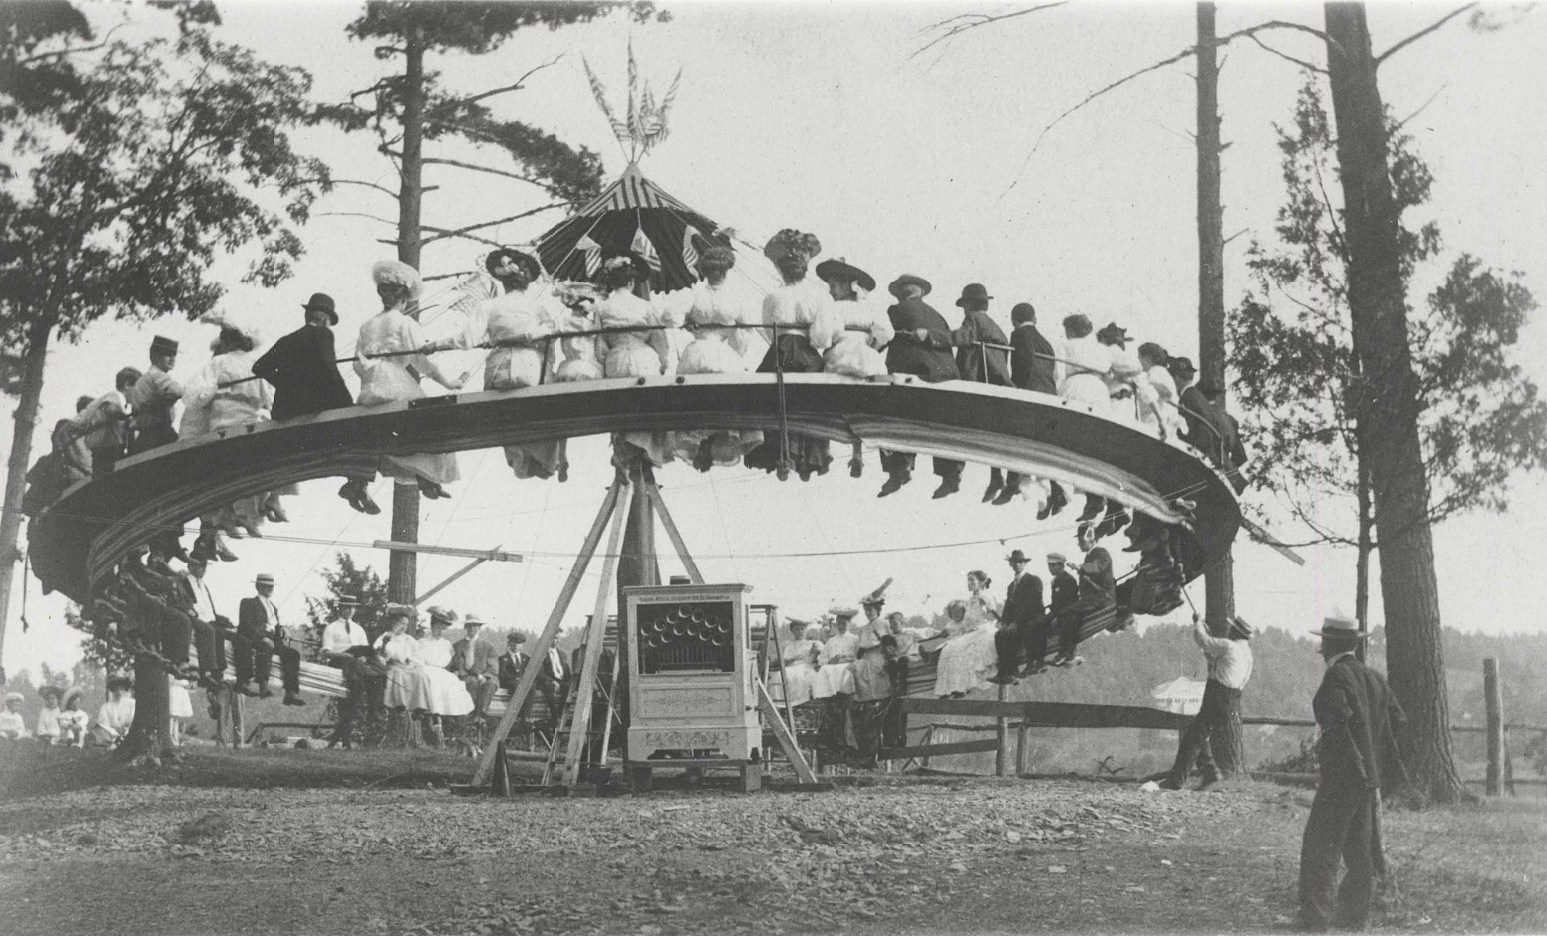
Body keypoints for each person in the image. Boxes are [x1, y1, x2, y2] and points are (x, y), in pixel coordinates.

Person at [1298, 616, 1407, 933]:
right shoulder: (1375, 678)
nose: (1320, 649)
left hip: (1341, 778)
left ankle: (1314, 919)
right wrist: (1373, 759)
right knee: (1361, 853)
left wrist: (1341, 756)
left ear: (1328, 644)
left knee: (1320, 846)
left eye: (1323, 642)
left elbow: (1338, 725)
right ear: (1355, 643)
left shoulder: (1335, 677)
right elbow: (1398, 722)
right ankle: (1352, 918)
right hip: (1367, 780)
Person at [252, 291, 380, 515]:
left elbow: (259, 368)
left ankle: (355, 485)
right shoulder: (323, 335)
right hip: (316, 405)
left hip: (286, 409)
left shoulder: (286, 340)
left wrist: (285, 383)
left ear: (308, 315)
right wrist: (346, 402)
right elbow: (328, 367)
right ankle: (357, 483)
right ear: (324, 319)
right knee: (362, 428)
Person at [355, 260, 467, 499]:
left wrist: (371, 374)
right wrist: (449, 383)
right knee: (434, 422)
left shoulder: (366, 325)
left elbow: (357, 363)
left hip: (370, 388)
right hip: (394, 383)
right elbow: (420, 360)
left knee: (395, 431)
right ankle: (427, 477)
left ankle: (422, 478)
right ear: (405, 297)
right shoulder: (404, 322)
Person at [660, 246, 763, 470]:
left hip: (698, 351)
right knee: (727, 398)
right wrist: (735, 349)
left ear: (704, 272)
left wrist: (687, 323)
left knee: (697, 400)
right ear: (726, 271)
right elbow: (745, 331)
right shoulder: (735, 297)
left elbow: (670, 316)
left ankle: (705, 438)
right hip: (724, 354)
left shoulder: (693, 294)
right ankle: (716, 436)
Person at [744, 230, 833, 481]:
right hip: (806, 351)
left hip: (779, 350)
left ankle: (782, 454)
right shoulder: (819, 295)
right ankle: (808, 456)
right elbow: (822, 337)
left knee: (773, 400)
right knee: (809, 402)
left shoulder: (773, 296)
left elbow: (768, 328)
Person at [476, 247, 568, 480]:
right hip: (523, 366)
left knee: (513, 411)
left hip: (510, 366)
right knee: (539, 407)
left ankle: (528, 458)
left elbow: (467, 338)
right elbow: (549, 339)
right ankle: (536, 458)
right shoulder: (530, 307)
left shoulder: (493, 306)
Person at [878, 274, 965, 498]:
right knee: (943, 424)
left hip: (911, 372)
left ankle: (900, 468)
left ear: (899, 294)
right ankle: (951, 474)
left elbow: (882, 335)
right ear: (922, 292)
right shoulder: (938, 315)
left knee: (893, 414)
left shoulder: (894, 312)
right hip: (945, 374)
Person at [810, 256, 892, 477]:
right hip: (868, 358)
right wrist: (872, 344)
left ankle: (826, 447)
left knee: (827, 402)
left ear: (848, 286)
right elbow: (885, 334)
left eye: (834, 286)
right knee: (859, 406)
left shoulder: (833, 308)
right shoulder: (872, 309)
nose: (831, 290)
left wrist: (829, 342)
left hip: (841, 354)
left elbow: (824, 337)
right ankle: (858, 452)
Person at [1161, 613, 1255, 790]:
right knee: (1199, 735)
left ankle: (1176, 781)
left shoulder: (1229, 646)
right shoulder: (1247, 655)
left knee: (1192, 738)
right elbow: (1218, 660)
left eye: (1232, 629)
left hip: (1217, 698)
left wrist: (1198, 624)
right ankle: (1210, 774)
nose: (1229, 631)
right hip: (1231, 701)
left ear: (1235, 631)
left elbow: (1203, 641)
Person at [946, 283, 1016, 502]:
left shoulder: (974, 319)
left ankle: (954, 473)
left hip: (977, 379)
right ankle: (996, 475)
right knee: (993, 430)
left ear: (970, 304)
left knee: (959, 423)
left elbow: (962, 338)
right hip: (997, 382)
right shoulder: (996, 327)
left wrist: (936, 337)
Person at [1006, 302, 1066, 515]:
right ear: (1035, 318)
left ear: (1013, 320)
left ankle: (1014, 482)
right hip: (1048, 394)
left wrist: (1017, 389)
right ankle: (1055, 492)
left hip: (1030, 392)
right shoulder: (1046, 342)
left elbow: (1024, 363)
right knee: (1042, 449)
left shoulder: (1019, 334)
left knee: (1018, 439)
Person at [1046, 528, 1114, 669]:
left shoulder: (1101, 553)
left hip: (1100, 598)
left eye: (1081, 541)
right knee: (1068, 613)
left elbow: (1097, 567)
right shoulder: (1091, 555)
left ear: (1091, 539)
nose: (1079, 544)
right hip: (1091, 599)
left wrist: (1080, 567)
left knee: (1069, 613)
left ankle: (1066, 653)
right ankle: (1069, 654)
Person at [236, 573, 305, 706]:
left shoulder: (273, 606)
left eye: (271, 586)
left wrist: (283, 628)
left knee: (292, 654)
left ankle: (290, 693)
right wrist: (262, 636)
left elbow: (275, 625)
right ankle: (263, 685)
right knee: (265, 646)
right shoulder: (248, 603)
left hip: (274, 640)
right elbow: (246, 624)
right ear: (258, 586)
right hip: (255, 639)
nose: (269, 589)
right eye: (265, 586)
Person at [934, 571, 1001, 697]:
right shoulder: (970, 600)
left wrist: (986, 606)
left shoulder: (986, 598)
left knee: (961, 650)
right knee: (948, 650)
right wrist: (949, 630)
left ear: (980, 583)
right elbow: (965, 622)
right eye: (968, 580)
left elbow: (996, 616)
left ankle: (963, 687)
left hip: (984, 631)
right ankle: (951, 689)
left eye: (972, 580)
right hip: (972, 632)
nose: (969, 583)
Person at [320, 594, 374, 747]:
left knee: (351, 698)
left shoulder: (359, 629)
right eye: (347, 607)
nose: (350, 610)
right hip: (339, 662)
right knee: (352, 693)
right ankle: (345, 738)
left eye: (353, 607)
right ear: (340, 608)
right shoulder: (331, 628)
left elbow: (364, 651)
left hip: (355, 666)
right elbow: (326, 652)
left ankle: (341, 736)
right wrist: (344, 654)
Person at [848, 591, 894, 767]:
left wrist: (887, 662)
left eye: (871, 609)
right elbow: (860, 649)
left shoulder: (881, 624)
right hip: (865, 659)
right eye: (866, 609)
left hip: (877, 659)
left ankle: (872, 756)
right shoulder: (863, 628)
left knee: (875, 708)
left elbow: (888, 645)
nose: (868, 612)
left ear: (877, 609)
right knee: (855, 670)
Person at [991, 550, 1047, 685]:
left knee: (1014, 633)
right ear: (1011, 564)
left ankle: (1012, 670)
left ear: (1024, 564)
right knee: (1000, 635)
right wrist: (1005, 622)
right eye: (1014, 562)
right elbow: (1008, 607)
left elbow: (1032, 605)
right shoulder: (1011, 586)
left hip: (1031, 619)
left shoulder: (1033, 580)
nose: (1016, 565)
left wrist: (1016, 623)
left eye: (1020, 562)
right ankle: (1006, 672)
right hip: (1016, 622)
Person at [127, 336, 183, 455]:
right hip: (160, 434)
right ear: (155, 356)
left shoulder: (141, 381)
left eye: (174, 355)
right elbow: (177, 391)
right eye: (168, 355)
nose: (173, 359)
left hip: (144, 436)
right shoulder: (157, 375)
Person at [80, 367, 141, 475]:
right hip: (107, 450)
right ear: (127, 385)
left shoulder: (119, 401)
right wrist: (130, 415)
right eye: (138, 390)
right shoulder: (116, 396)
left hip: (104, 450)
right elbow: (112, 410)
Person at [451, 613, 499, 719]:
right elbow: (453, 664)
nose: (472, 628)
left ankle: (482, 714)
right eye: (469, 625)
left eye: (475, 626)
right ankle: (471, 713)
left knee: (491, 684)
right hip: (465, 676)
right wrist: (458, 670)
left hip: (482, 676)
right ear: (465, 627)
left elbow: (493, 666)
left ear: (479, 628)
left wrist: (485, 676)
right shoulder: (458, 645)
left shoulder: (488, 646)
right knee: (471, 682)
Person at [1136, 342, 1182, 438]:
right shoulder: (1162, 372)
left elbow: (1167, 392)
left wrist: (1143, 383)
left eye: (1140, 357)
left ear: (1147, 357)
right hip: (1165, 424)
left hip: (1156, 425)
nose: (1138, 361)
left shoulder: (1156, 371)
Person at [774, 618, 821, 707]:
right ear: (792, 631)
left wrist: (816, 652)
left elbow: (820, 657)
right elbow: (783, 660)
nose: (799, 632)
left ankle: (798, 701)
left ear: (805, 630)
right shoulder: (788, 644)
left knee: (799, 676)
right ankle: (779, 703)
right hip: (789, 667)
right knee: (778, 675)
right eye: (796, 629)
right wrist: (792, 658)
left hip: (806, 668)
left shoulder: (813, 643)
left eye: (802, 629)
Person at [91, 675, 136, 746]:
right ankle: (115, 741)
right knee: (98, 729)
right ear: (113, 691)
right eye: (116, 689)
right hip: (112, 732)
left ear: (125, 690)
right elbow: (103, 723)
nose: (119, 692)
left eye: (121, 689)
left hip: (127, 731)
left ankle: (121, 741)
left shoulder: (132, 703)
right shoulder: (106, 706)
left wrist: (126, 728)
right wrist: (114, 729)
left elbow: (132, 718)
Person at [167, 676, 194, 746]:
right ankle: (170, 735)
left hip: (179, 693)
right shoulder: (173, 674)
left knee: (176, 717)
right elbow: (172, 680)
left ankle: (175, 737)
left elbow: (185, 682)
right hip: (174, 692)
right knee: (172, 716)